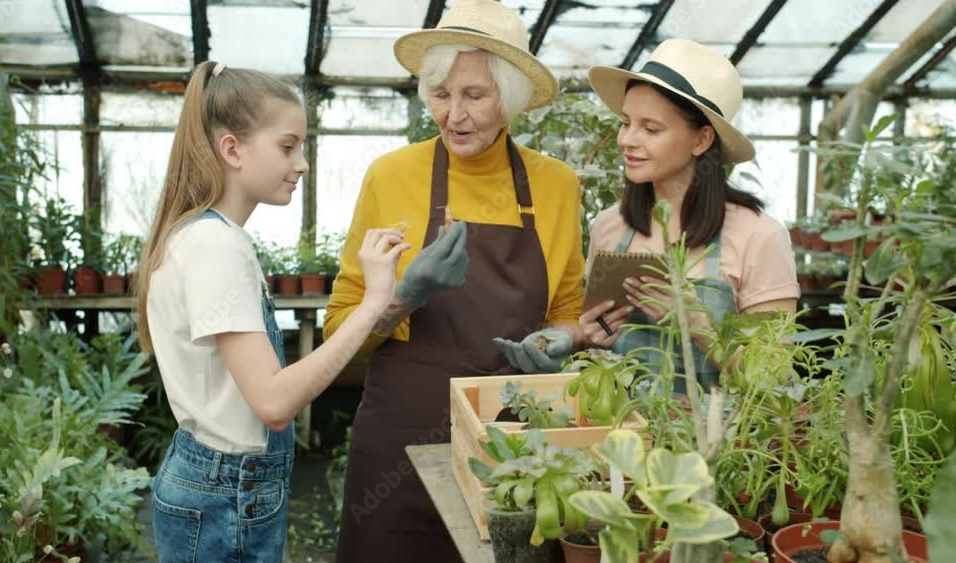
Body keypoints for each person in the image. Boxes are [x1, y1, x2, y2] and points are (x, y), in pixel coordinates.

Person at [325, 1, 586, 560]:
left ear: (510, 99)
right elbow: (339, 332)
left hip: (509, 439)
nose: (453, 115)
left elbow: (568, 308)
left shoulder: (557, 186)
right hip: (399, 440)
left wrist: (561, 340)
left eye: (475, 95)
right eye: (441, 94)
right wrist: (403, 296)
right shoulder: (391, 176)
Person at [136, 61, 410, 563]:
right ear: (232, 149)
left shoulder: (206, 236)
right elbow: (274, 402)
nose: (302, 163)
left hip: (216, 483)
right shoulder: (215, 246)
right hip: (227, 494)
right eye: (288, 146)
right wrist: (372, 303)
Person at [578, 39, 800, 392]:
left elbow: (772, 379)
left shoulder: (759, 236)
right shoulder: (609, 225)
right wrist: (590, 335)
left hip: (717, 444)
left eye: (650, 129)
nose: (627, 140)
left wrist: (695, 322)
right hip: (619, 438)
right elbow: (594, 346)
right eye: (625, 123)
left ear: (702, 140)